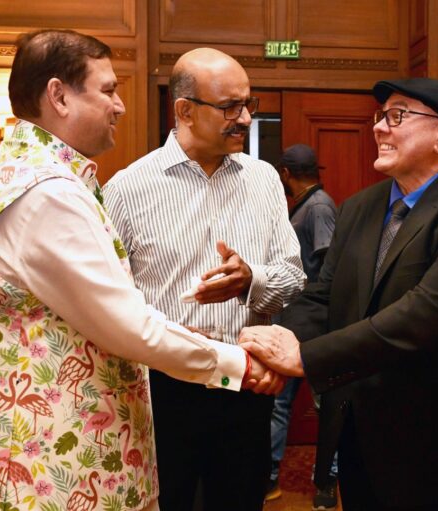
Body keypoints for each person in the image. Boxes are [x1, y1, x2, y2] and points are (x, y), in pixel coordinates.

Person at [0, 30, 278, 511]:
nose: (120, 106)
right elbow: (128, 324)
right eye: (108, 90)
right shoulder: (46, 192)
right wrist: (240, 365)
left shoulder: (11, 170)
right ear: (59, 96)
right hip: (43, 460)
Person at [239, 77, 438, 510]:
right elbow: (323, 295)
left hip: (431, 441)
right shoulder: (359, 206)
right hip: (352, 430)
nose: (380, 128)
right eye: (380, 116)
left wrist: (304, 359)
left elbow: (423, 316)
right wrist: (282, 340)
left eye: (398, 115)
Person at [103, 48, 304, 511]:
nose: (246, 117)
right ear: (185, 110)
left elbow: (294, 277)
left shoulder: (264, 180)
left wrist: (251, 280)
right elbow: (108, 300)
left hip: (246, 383)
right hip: (163, 389)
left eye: (248, 104)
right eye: (230, 107)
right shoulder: (127, 189)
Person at [267, 143, 339, 509]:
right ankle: (272, 477)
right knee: (280, 402)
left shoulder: (319, 206)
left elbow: (330, 265)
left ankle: (327, 480)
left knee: (325, 401)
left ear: (285, 174)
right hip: (293, 318)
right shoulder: (307, 204)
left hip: (311, 322)